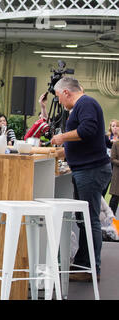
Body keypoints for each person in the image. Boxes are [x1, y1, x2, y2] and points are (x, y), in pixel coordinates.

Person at [50, 76, 112, 281]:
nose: (59, 101)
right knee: (86, 220)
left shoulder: (85, 103)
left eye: (59, 96)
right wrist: (65, 150)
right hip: (87, 169)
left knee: (90, 220)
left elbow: (87, 130)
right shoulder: (83, 106)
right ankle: (84, 266)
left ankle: (92, 269)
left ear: (67, 92)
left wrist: (62, 138)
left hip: (91, 170)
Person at [109, 140, 119, 216]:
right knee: (115, 198)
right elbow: (112, 159)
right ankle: (111, 218)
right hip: (117, 174)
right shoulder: (116, 144)